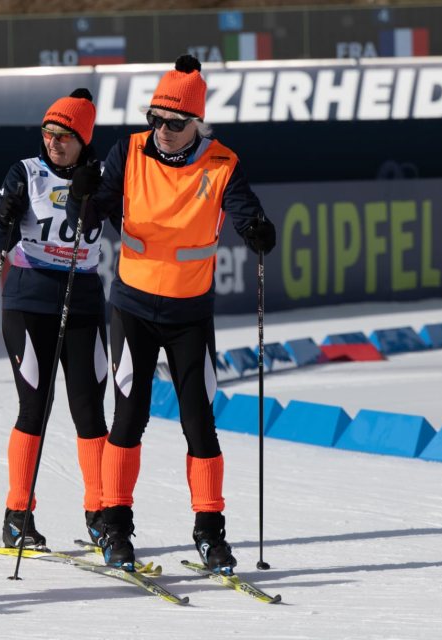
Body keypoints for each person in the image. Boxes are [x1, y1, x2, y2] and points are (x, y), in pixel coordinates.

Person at [67, 55, 277, 574]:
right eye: (154, 119)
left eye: (174, 123)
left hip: (189, 313)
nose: (161, 131)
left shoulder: (222, 163)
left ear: (196, 125)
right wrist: (84, 198)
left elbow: (247, 209)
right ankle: (115, 525)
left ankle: (210, 533)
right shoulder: (129, 151)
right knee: (128, 418)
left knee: (199, 421)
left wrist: (257, 231)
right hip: (133, 306)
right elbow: (94, 208)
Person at [0, 88, 109, 551]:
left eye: (64, 135)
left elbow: (110, 222)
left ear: (83, 138)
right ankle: (18, 514)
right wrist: (4, 216)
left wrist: (85, 196)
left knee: (90, 412)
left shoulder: (100, 177)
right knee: (33, 409)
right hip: (29, 301)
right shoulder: (26, 171)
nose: (54, 141)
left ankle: (101, 513)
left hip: (82, 304)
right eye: (48, 132)